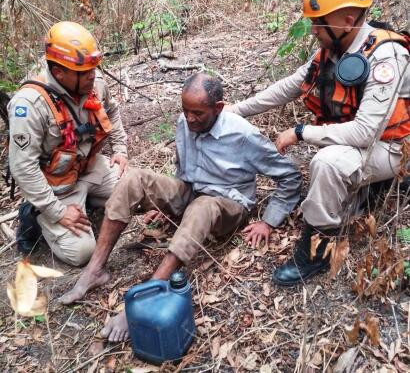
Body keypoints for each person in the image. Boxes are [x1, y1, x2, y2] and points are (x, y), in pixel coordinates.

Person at [59, 72, 302, 342]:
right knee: (133, 179)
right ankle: (95, 269)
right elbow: (183, 171)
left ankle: (150, 291)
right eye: (185, 110)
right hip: (193, 191)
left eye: (197, 113)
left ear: (218, 108)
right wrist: (167, 203)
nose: (189, 118)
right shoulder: (185, 123)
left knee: (201, 207)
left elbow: (289, 176)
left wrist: (268, 221)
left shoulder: (242, 134)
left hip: (227, 205)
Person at [226, 0, 410, 286]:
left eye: (318, 22)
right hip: (364, 143)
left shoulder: (385, 58)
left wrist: (300, 132)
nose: (313, 30)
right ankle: (365, 190)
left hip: (393, 148)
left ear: (347, 22)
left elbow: (365, 133)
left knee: (325, 162)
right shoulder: (334, 48)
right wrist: (238, 110)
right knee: (329, 164)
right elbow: (288, 86)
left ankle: (317, 251)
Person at [8, 21, 128, 266]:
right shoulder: (30, 105)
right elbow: (23, 168)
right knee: (82, 253)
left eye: (93, 68)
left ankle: (90, 199)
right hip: (57, 185)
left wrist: (120, 149)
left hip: (90, 167)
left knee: (132, 192)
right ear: (59, 71)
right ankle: (38, 215)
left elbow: (112, 111)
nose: (92, 75)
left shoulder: (94, 83)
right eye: (83, 72)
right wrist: (58, 212)